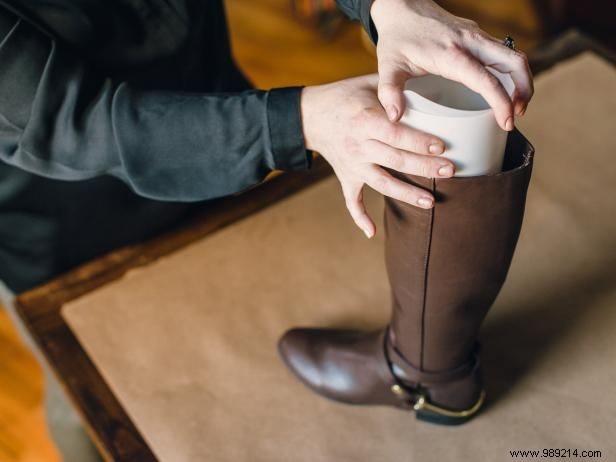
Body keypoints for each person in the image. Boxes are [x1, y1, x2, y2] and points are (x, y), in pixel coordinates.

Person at [0, 0, 533, 457]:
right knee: (89, 402)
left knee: (254, 328)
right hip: (67, 233)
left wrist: (390, 5)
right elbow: (79, 122)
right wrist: (300, 122)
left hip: (223, 135)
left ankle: (429, 372)